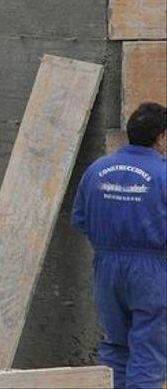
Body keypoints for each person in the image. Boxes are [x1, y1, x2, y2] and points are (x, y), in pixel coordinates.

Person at [71, 101, 167, 389]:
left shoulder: (97, 170)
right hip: (151, 272)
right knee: (148, 353)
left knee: (115, 349)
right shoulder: (163, 175)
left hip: (106, 269)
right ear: (160, 137)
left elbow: (79, 219)